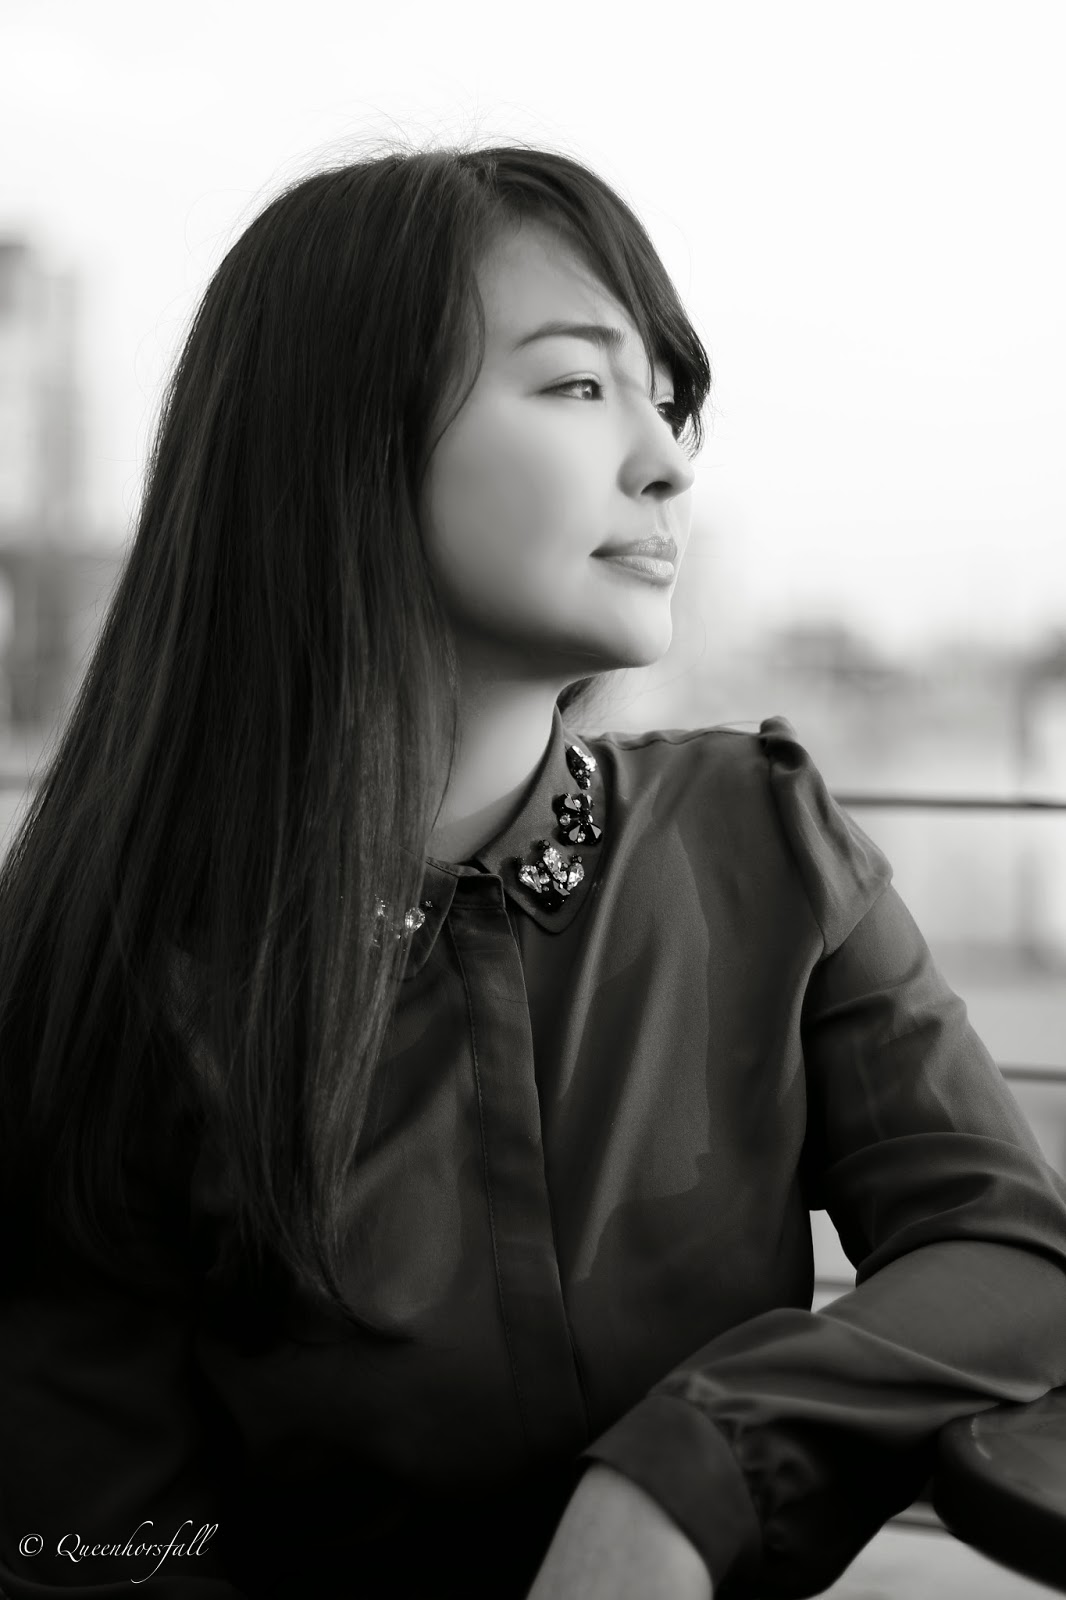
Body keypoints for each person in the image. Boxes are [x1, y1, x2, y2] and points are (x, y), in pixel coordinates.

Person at [1, 137, 1064, 1600]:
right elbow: (86, 1553)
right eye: (576, 385)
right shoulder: (108, 974)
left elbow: (1011, 1250)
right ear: (340, 439)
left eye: (665, 400)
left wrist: (684, 1475)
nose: (668, 460)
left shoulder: (763, 839)